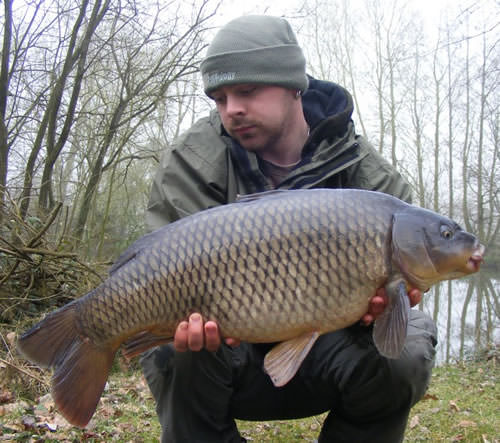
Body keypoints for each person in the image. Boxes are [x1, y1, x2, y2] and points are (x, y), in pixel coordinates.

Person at [140, 14, 437, 443]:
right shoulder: (191, 162)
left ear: (294, 86)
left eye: (247, 91)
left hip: (330, 355)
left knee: (407, 342)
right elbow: (159, 266)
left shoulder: (369, 179)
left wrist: (385, 305)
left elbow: (409, 281)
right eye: (220, 98)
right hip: (224, 355)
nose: (232, 109)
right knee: (174, 348)